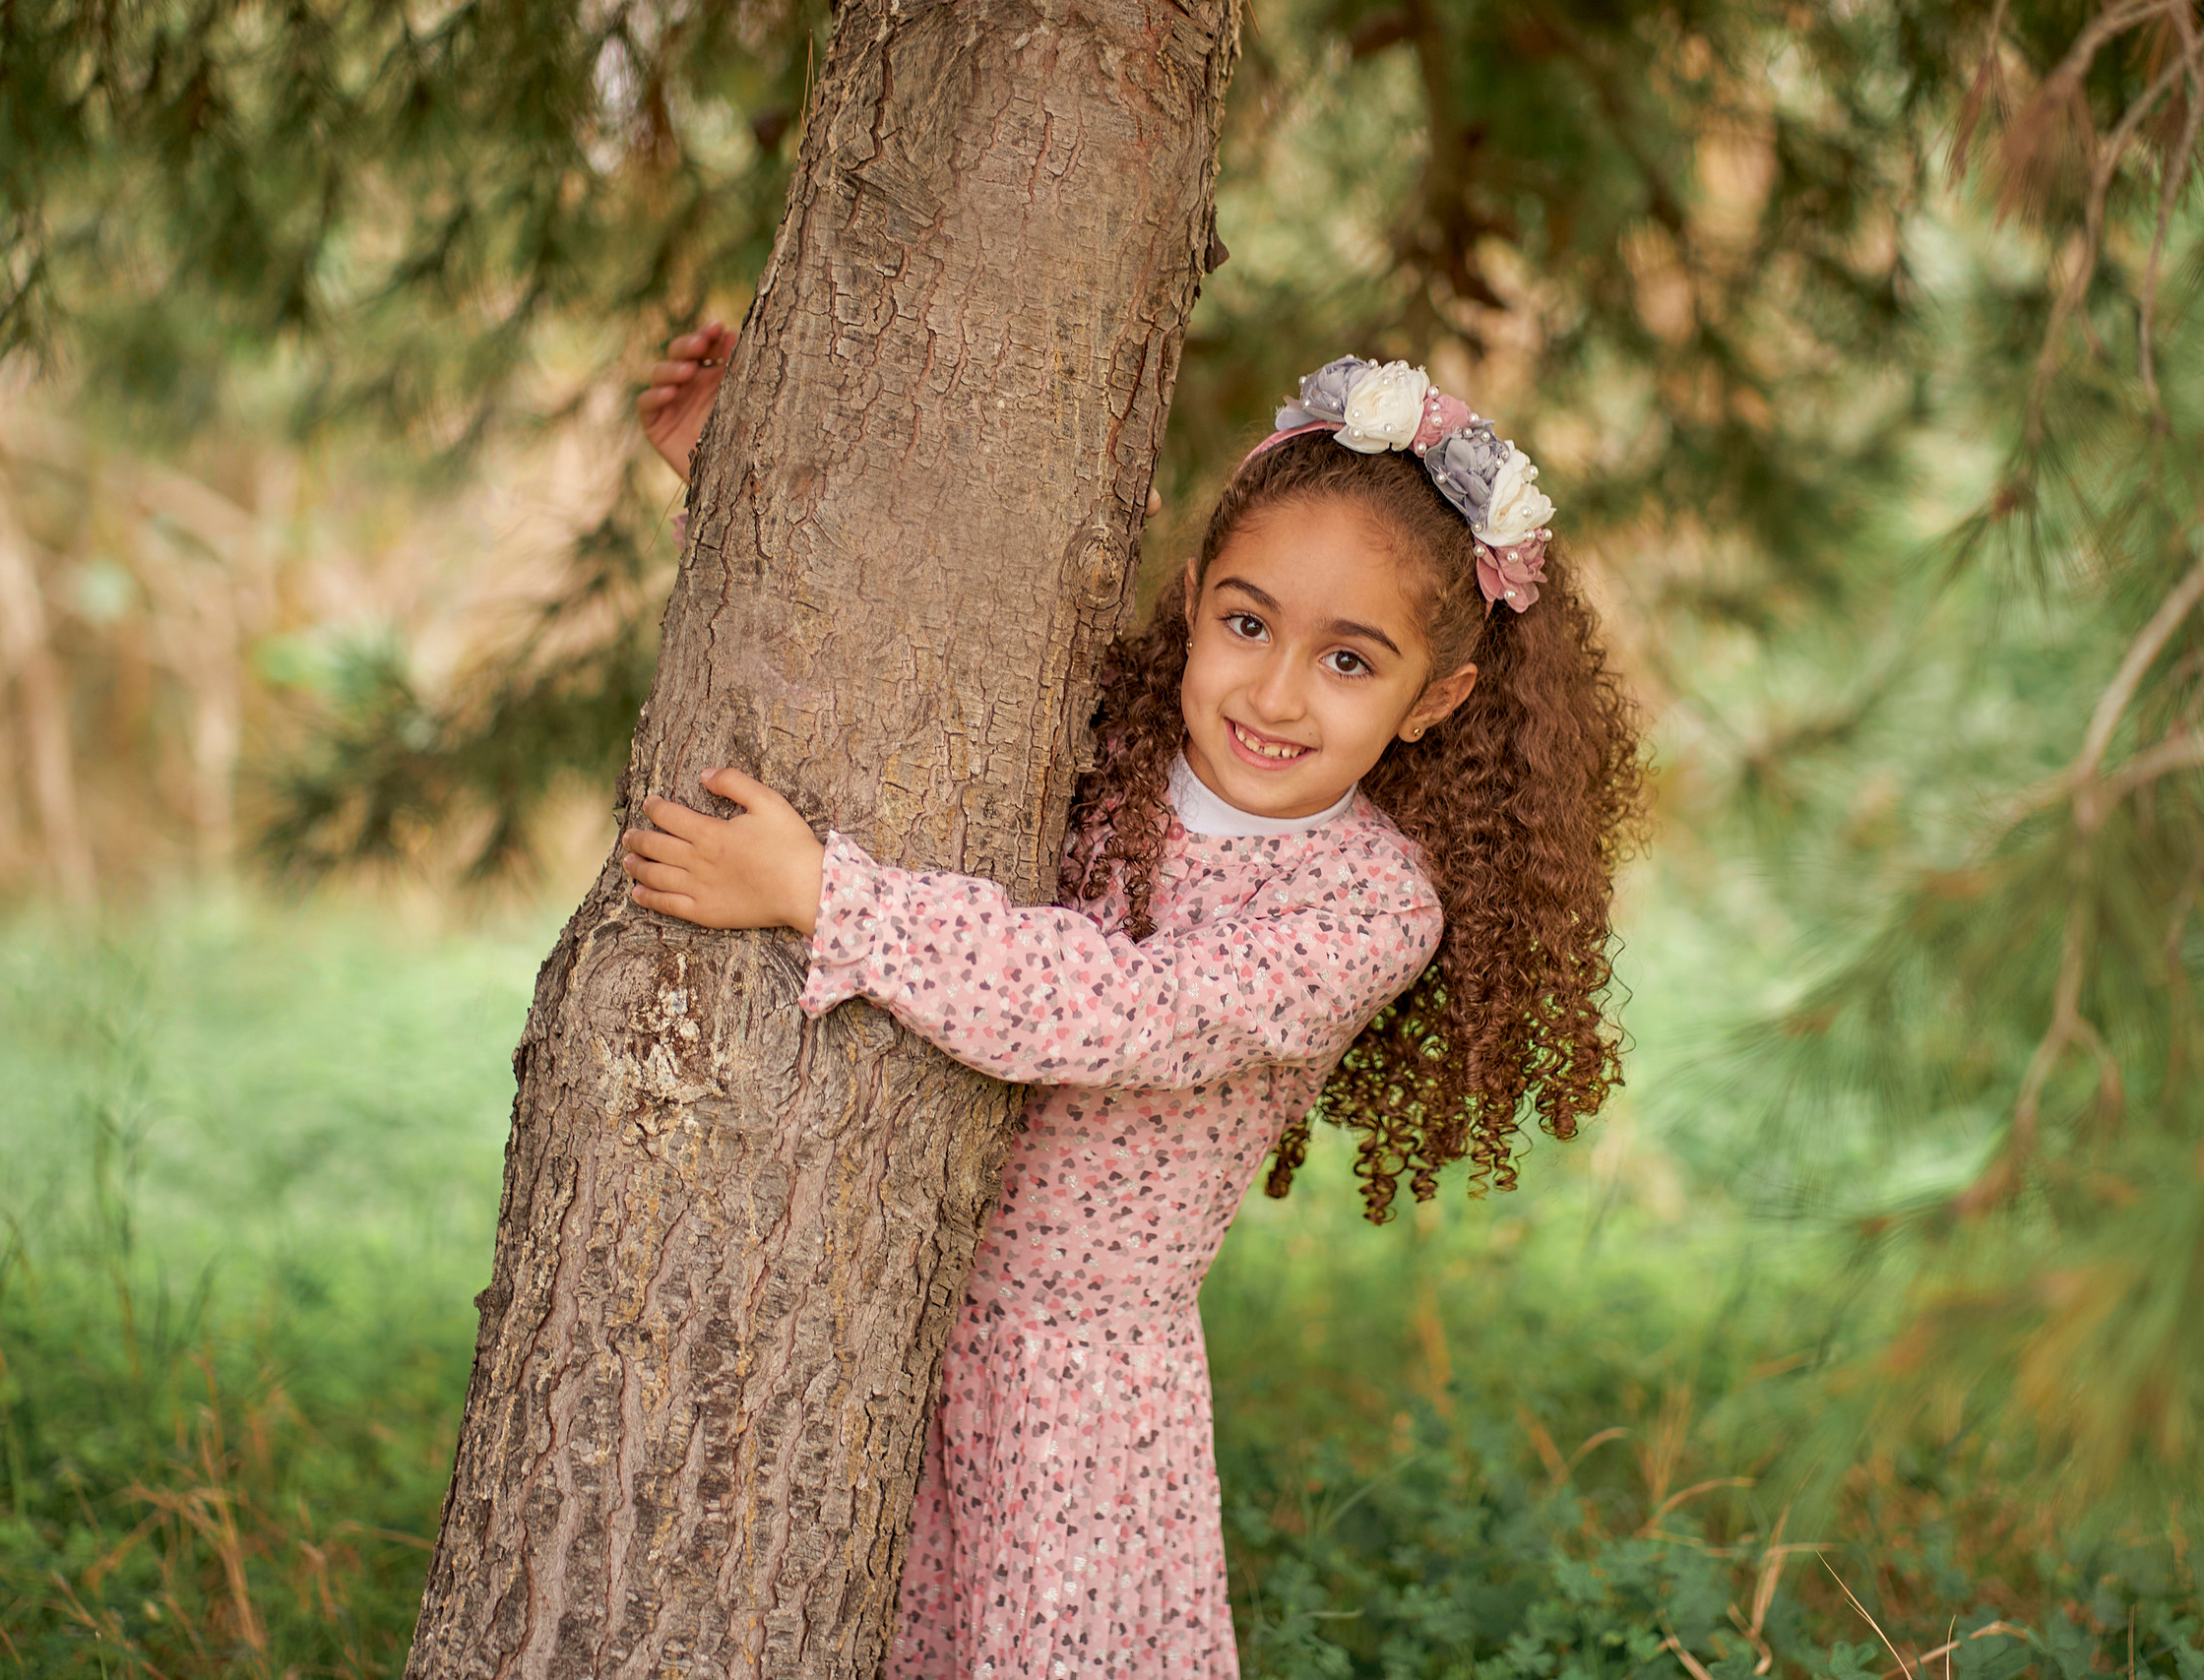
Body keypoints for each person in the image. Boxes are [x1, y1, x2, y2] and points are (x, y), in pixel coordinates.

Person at [625, 328, 1641, 1678]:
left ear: (1432, 698)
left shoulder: (1369, 908)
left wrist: (829, 898)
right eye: (1246, 623)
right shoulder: (1105, 734)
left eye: (1349, 662)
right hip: (871, 1301)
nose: (1273, 692)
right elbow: (893, 686)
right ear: (1196, 599)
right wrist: (731, 477)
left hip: (1071, 1402)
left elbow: (1112, 1006)